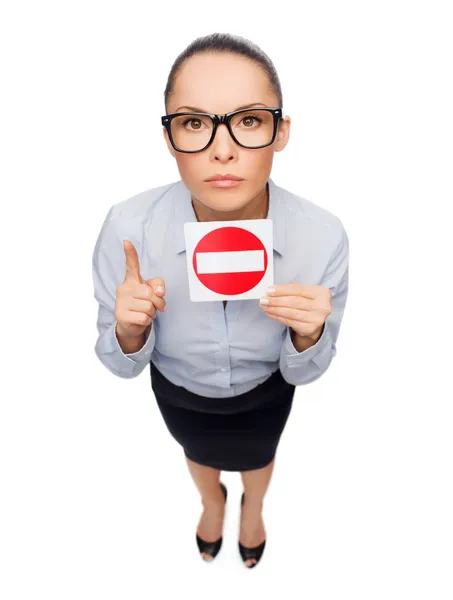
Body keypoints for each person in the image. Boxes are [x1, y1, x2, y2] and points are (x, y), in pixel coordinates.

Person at [91, 32, 349, 568]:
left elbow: (307, 373)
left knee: (259, 456)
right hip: (179, 390)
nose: (222, 148)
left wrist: (309, 336)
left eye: (249, 120)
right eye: (194, 122)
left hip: (266, 391)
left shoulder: (322, 236)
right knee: (198, 453)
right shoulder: (127, 228)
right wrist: (129, 332)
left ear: (281, 132)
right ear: (169, 138)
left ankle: (254, 506)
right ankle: (212, 501)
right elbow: (118, 365)